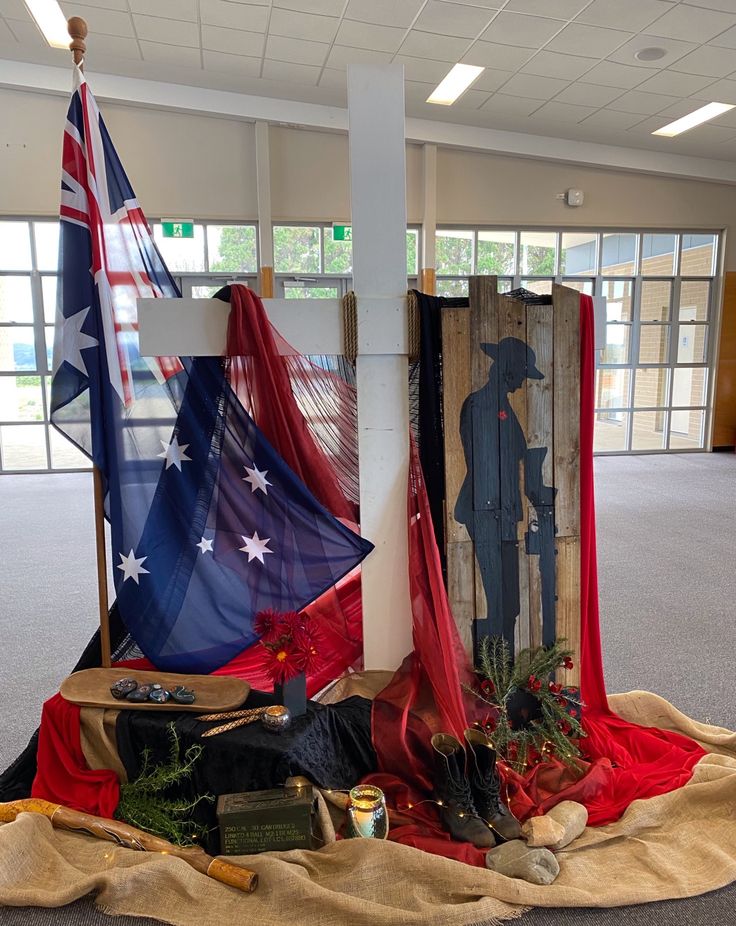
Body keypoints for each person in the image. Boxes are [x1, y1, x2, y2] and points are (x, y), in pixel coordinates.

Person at [455, 337, 556, 655]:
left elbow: (514, 459)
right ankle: (493, 673)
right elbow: (484, 466)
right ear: (508, 371)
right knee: (499, 604)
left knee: (507, 604)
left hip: (502, 514)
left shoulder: (501, 406)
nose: (521, 384)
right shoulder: (481, 405)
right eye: (521, 376)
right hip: (486, 514)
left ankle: (503, 668)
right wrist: (500, 512)